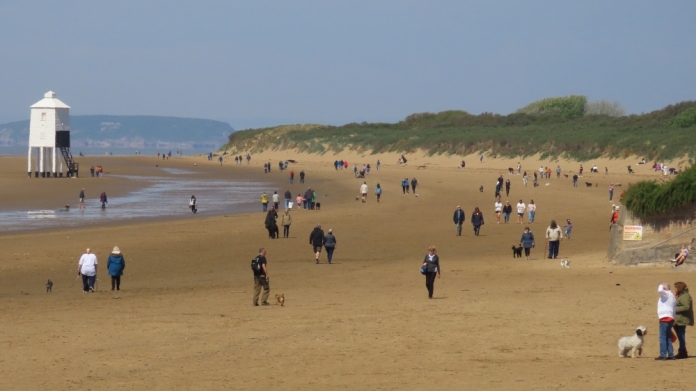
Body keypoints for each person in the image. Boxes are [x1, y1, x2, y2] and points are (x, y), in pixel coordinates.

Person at [656, 283, 677, 360]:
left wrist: (661, 285)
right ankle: (671, 355)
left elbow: (660, 290)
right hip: (670, 318)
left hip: (665, 318)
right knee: (668, 337)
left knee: (663, 337)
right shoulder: (672, 296)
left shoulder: (667, 294)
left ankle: (663, 355)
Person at [674, 281, 694, 359]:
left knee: (681, 335)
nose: (675, 289)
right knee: (680, 335)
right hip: (678, 319)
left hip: (682, 319)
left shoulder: (685, 296)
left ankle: (682, 351)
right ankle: (683, 351)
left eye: (676, 287)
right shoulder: (680, 295)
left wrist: (674, 309)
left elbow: (686, 307)